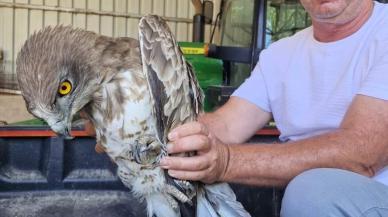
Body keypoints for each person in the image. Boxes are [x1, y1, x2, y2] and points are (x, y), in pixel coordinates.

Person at [158, 0, 388, 216]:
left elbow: (361, 154)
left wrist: (227, 162)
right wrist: (166, 132)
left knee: (313, 191)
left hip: (373, 196)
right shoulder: (281, 54)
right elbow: (226, 125)